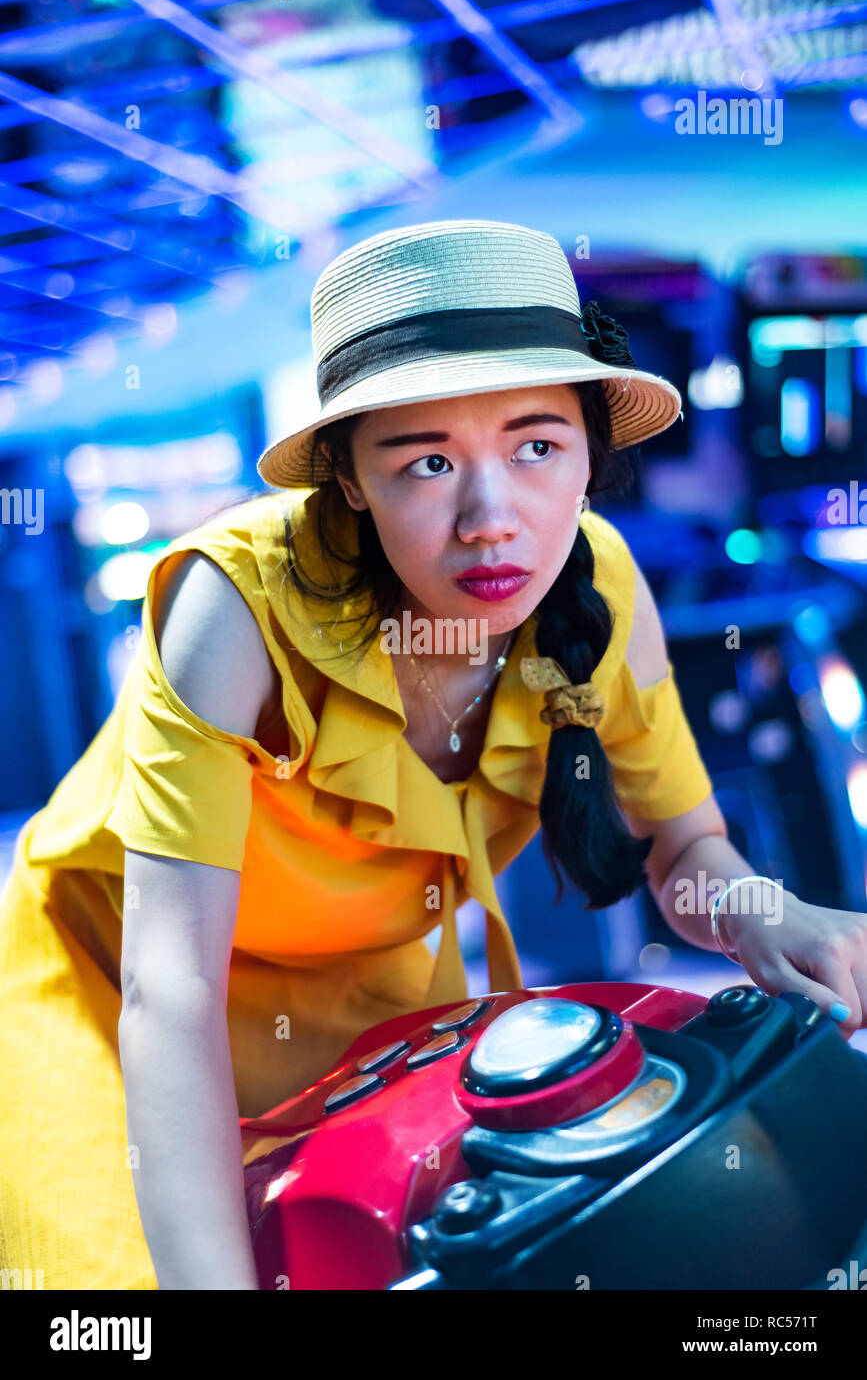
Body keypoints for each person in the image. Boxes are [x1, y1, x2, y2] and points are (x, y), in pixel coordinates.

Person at [1, 219, 865, 1292]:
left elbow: (682, 849)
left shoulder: (601, 590)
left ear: (592, 452)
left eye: (536, 445)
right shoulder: (234, 609)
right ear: (352, 482)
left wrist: (760, 911)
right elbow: (167, 989)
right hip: (110, 985)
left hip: (363, 985)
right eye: (426, 462)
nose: (492, 519)